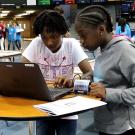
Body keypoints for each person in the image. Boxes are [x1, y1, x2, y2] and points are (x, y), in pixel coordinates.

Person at [22, 10, 92, 135]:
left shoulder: (72, 45)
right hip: (42, 107)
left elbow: (89, 73)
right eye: (44, 37)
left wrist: (73, 81)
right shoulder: (37, 43)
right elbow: (20, 70)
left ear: (61, 33)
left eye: (53, 36)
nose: (49, 42)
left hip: (67, 108)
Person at [75, 5, 135, 135]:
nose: (81, 41)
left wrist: (107, 93)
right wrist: (79, 81)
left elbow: (107, 89)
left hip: (123, 128)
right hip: (105, 125)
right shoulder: (101, 50)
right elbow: (108, 76)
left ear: (101, 30)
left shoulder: (124, 50)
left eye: (83, 36)